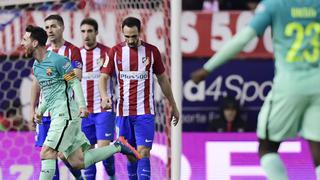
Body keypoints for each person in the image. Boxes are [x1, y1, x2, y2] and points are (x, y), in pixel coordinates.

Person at [191, 0, 320, 179]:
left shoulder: (275, 5)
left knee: (267, 147)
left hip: (290, 84)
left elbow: (244, 39)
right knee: (318, 148)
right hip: (318, 84)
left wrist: (207, 68)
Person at [21, 25, 141, 180]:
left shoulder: (58, 60)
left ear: (35, 42)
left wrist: (83, 106)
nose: (22, 43)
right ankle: (117, 146)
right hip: (57, 115)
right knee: (78, 161)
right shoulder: (37, 66)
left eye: (25, 39)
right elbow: (49, 93)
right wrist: (39, 110)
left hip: (66, 116)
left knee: (47, 152)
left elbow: (74, 83)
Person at [99, 17, 180, 180]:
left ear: (140, 32)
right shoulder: (115, 52)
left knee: (143, 152)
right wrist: (104, 96)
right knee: (131, 155)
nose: (130, 40)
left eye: (134, 36)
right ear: (122, 33)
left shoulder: (152, 51)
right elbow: (103, 77)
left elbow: (163, 79)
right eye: (127, 36)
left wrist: (173, 105)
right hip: (123, 113)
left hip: (145, 112)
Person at [28, 14, 84, 179]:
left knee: (63, 154)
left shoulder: (72, 50)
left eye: (53, 26)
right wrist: (33, 109)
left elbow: (77, 77)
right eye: (47, 27)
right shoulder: (42, 52)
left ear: (62, 27)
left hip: (62, 111)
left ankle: (80, 177)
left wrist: (56, 77)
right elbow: (35, 83)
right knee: (48, 154)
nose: (50, 30)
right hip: (45, 113)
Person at [79, 17, 116, 180]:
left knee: (103, 151)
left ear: (96, 32)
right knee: (87, 154)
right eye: (83, 31)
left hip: (103, 110)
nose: (86, 35)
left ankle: (113, 176)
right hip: (84, 112)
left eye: (89, 31)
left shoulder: (108, 53)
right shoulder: (75, 55)